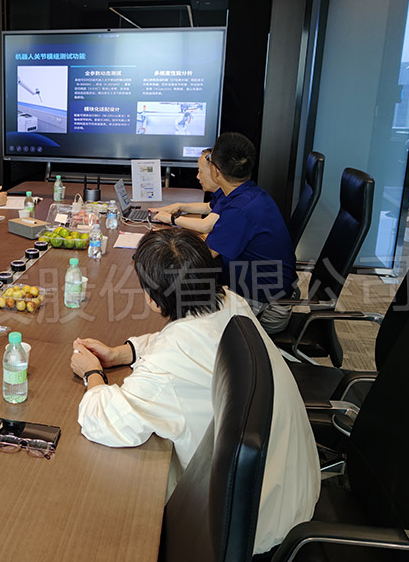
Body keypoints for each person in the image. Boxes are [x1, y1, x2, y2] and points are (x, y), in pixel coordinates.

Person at [69, 229, 319, 555]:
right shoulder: (229, 301)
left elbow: (103, 420)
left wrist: (92, 372)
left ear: (152, 300)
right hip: (288, 478)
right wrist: (121, 353)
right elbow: (181, 338)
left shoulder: (169, 365)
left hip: (250, 527)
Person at [203, 132, 296, 333]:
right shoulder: (248, 193)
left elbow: (203, 256)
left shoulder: (240, 210)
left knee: (189, 321)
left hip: (266, 308)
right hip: (260, 293)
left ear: (216, 171)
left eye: (209, 159)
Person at [150, 148, 222, 234]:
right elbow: (208, 207)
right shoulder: (222, 193)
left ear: (215, 172)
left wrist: (171, 218)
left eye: (200, 172)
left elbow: (205, 226)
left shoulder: (229, 197)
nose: (198, 176)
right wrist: (179, 206)